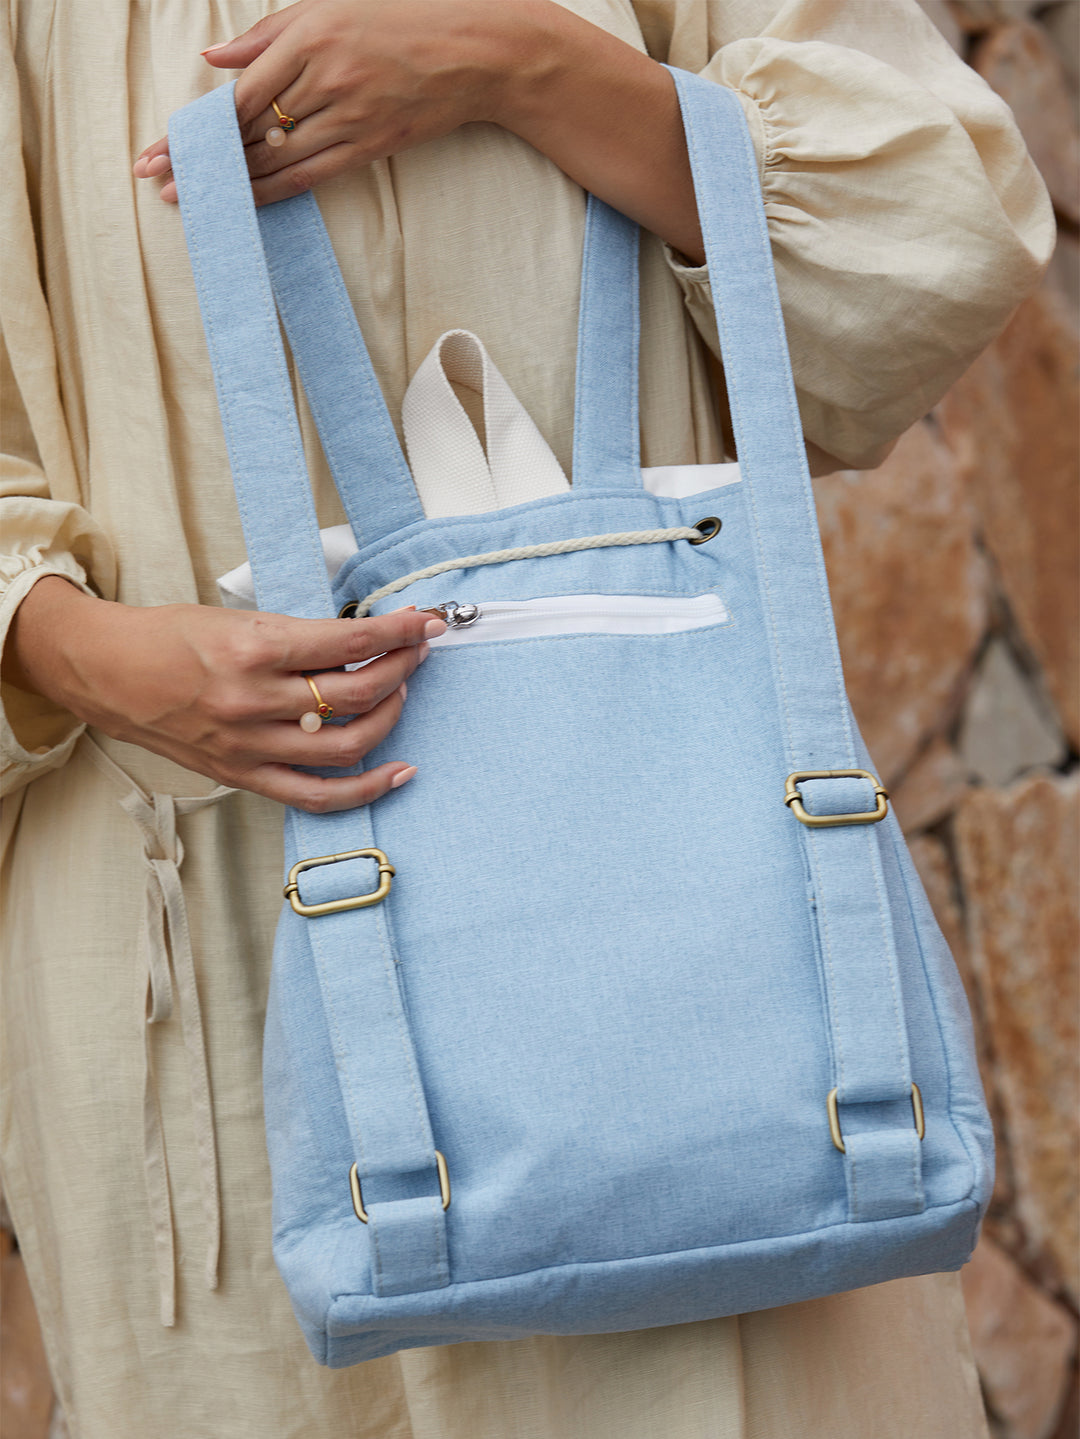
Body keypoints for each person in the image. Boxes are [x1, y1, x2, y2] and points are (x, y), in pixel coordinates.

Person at [0, 2, 1052, 1435]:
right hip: (193, 924)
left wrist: (527, 64)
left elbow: (927, 222)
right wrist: (84, 652)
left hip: (679, 956)